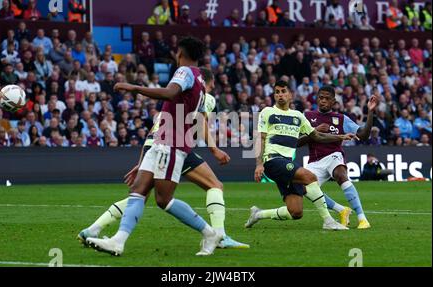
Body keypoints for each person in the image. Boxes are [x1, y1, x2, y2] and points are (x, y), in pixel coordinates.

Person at [78, 67, 249, 250]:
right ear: (208, 81)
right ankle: (219, 235)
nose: (214, 86)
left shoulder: (176, 97)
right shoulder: (203, 96)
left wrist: (141, 162)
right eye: (213, 82)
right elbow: (201, 122)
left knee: (139, 195)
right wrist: (214, 149)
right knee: (213, 186)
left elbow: (153, 133)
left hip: (155, 144)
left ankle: (93, 229)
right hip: (175, 146)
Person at [85, 37, 223, 256]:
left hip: (171, 143)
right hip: (163, 141)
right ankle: (118, 241)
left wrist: (133, 87)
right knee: (137, 191)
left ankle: (210, 233)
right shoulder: (201, 82)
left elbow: (169, 93)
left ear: (180, 53)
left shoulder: (184, 72)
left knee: (163, 200)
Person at [245, 81, 355, 231]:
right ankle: (328, 221)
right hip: (273, 160)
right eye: (277, 92)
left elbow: (317, 136)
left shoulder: (298, 116)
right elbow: (261, 138)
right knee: (310, 177)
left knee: (295, 212)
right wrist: (259, 164)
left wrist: (341, 137)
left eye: (283, 91)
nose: (280, 95)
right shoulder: (267, 112)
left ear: (290, 95)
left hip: (287, 163)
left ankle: (258, 214)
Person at [298, 86, 378, 229]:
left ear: (333, 101)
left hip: (334, 155)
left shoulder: (341, 119)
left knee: (340, 174)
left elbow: (364, 135)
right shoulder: (307, 117)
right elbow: (297, 142)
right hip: (315, 161)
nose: (323, 101)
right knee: (304, 188)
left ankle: (362, 219)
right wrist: (314, 131)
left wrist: (370, 112)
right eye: (320, 98)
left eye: (327, 98)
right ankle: (342, 210)